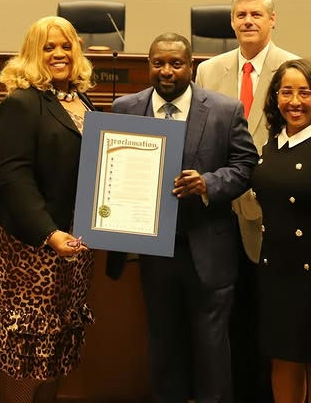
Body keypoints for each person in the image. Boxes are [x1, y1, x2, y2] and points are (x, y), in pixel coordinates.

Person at [110, 33, 257, 403]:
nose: (166, 71)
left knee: (212, 348)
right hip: (154, 252)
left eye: (176, 63)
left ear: (191, 66)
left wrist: (208, 184)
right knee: (164, 345)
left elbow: (245, 165)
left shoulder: (224, 110)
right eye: (158, 63)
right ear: (148, 65)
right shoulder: (125, 107)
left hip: (208, 249)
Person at [0, 16, 95, 403]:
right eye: (48, 47)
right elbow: (13, 177)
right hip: (28, 247)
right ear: (32, 54)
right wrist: (48, 233)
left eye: (66, 46)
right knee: (26, 349)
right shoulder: (21, 103)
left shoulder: (81, 101)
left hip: (72, 240)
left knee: (56, 343)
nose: (59, 54)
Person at [194, 0, 296, 402]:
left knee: (263, 313)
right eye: (241, 15)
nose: (248, 21)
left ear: (273, 20)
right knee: (223, 316)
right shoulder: (208, 70)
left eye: (256, 14)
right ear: (232, 22)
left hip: (269, 212)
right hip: (217, 210)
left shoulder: (292, 68)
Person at [252, 59, 311, 403]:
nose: (294, 101)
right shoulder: (272, 144)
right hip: (276, 272)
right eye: (286, 92)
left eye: (304, 93)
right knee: (283, 359)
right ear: (275, 97)